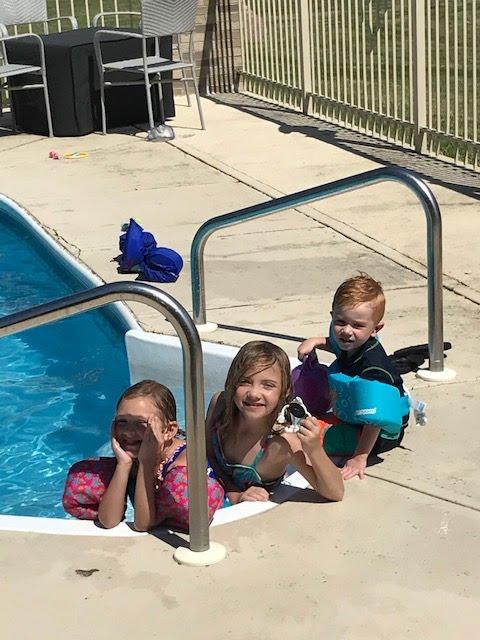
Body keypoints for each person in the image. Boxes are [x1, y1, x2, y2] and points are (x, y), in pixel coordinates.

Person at [62, 380, 224, 531]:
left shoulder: (185, 462)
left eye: (141, 423)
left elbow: (142, 525)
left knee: (182, 486)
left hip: (209, 524)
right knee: (83, 479)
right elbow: (108, 521)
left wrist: (146, 463)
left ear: (169, 430)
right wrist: (123, 465)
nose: (128, 432)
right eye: (122, 422)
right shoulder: (128, 457)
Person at [298, 273, 409, 481]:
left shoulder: (374, 369)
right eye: (340, 322)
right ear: (332, 316)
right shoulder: (353, 342)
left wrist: (359, 457)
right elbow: (339, 347)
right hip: (354, 417)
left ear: (376, 329)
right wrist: (316, 341)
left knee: (308, 439)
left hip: (380, 435)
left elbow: (375, 419)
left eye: (357, 325)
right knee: (304, 422)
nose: (346, 331)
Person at [205, 341, 344, 505]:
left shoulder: (282, 443)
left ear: (285, 392)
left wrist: (314, 449)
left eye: (268, 385)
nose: (254, 394)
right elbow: (206, 453)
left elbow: (336, 492)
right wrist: (234, 493)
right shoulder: (220, 405)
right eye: (244, 381)